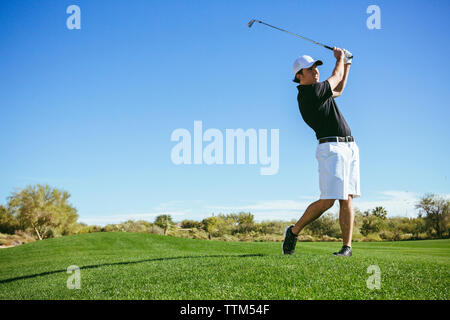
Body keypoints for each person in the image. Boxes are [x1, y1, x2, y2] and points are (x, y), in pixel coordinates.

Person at [282, 48, 360, 257]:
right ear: (299, 76)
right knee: (328, 200)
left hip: (349, 147)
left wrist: (348, 64)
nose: (315, 71)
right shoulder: (308, 93)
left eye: (316, 67)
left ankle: (347, 248)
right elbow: (335, 77)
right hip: (331, 149)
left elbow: (340, 88)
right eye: (310, 69)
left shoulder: (319, 91)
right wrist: (340, 59)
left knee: (348, 198)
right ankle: (294, 231)